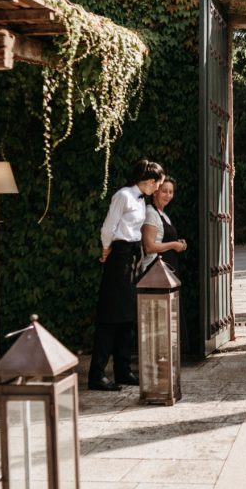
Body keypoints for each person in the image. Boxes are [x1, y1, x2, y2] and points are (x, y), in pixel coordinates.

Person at [89, 159, 165, 391]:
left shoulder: (141, 201)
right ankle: (96, 374)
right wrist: (105, 249)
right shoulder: (123, 196)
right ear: (150, 181)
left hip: (133, 256)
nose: (158, 188)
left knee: (127, 315)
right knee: (111, 314)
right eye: (158, 184)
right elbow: (108, 226)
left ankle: (123, 370)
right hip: (119, 255)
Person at [141, 177, 188, 273]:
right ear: (155, 192)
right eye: (164, 191)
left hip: (167, 270)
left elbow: (161, 240)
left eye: (171, 192)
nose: (168, 195)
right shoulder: (151, 213)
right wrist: (174, 244)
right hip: (155, 271)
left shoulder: (164, 214)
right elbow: (149, 247)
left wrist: (177, 242)